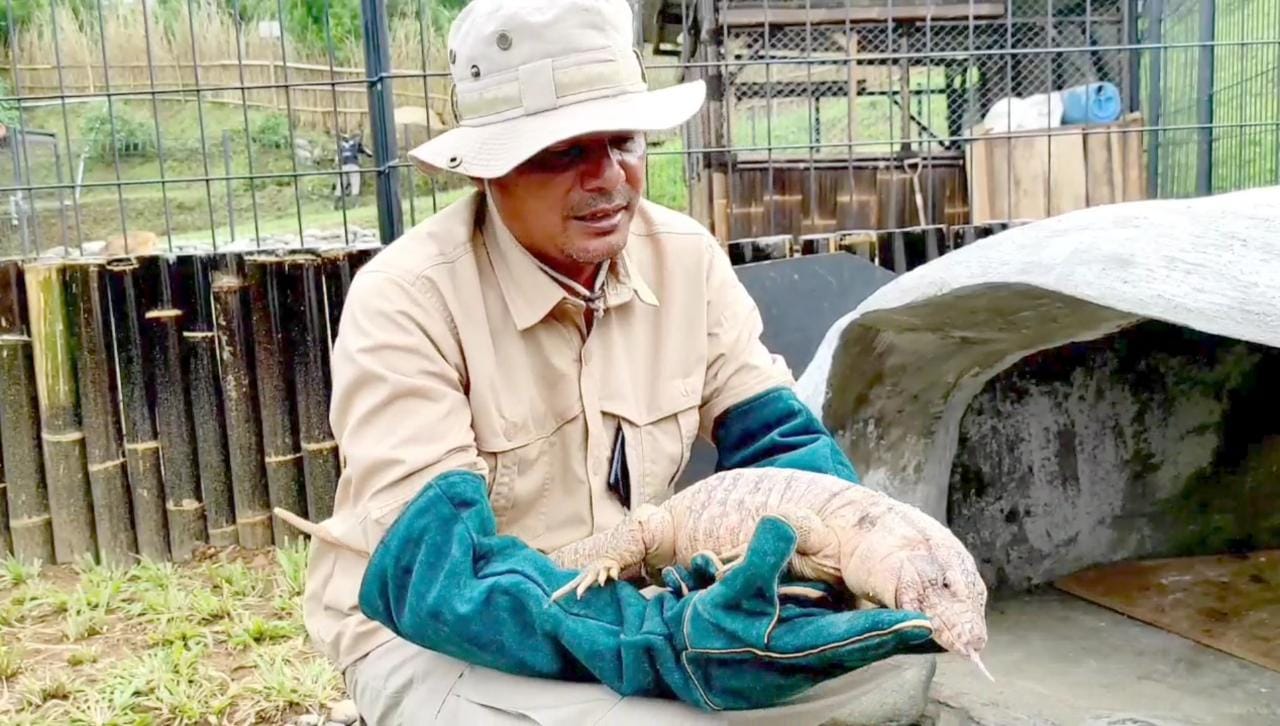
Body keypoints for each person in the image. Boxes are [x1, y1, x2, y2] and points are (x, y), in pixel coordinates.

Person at [286, 0, 941, 723]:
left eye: (623, 140)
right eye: (564, 151)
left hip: (630, 601)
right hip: (439, 636)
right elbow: (441, 578)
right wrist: (661, 642)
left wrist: (810, 586)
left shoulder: (685, 257)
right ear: (486, 171)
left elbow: (784, 451)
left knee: (889, 672)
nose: (608, 178)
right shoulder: (407, 299)